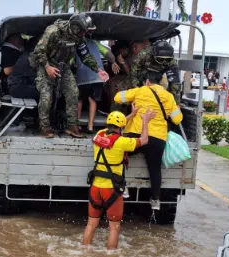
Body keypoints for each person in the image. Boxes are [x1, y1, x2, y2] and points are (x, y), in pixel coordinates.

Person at [83, 108, 155, 249]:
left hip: (95, 187)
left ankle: (84, 251)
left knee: (91, 224)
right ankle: (111, 253)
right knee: (114, 227)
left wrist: (132, 115)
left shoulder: (99, 135)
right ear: (121, 127)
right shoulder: (122, 142)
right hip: (111, 190)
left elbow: (117, 125)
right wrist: (145, 121)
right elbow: (144, 140)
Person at [29, 12, 109, 138]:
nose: (84, 34)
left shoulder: (79, 37)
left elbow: (85, 55)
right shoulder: (53, 31)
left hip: (63, 66)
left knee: (73, 93)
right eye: (83, 31)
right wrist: (47, 67)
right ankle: (44, 126)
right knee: (46, 96)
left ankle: (72, 126)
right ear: (76, 27)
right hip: (46, 64)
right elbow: (39, 51)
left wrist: (98, 69)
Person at [114, 69, 183, 210]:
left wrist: (128, 94)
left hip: (136, 135)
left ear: (147, 81)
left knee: (120, 156)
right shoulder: (168, 96)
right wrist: (177, 108)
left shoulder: (140, 91)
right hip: (157, 138)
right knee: (155, 168)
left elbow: (117, 98)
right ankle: (156, 200)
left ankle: (123, 187)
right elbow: (177, 119)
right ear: (160, 82)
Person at [74, 39, 119, 133]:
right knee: (93, 100)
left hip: (81, 76)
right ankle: (90, 126)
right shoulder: (95, 43)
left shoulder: (75, 43)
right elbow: (107, 53)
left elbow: (70, 60)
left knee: (79, 100)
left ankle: (77, 125)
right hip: (97, 75)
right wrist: (113, 62)